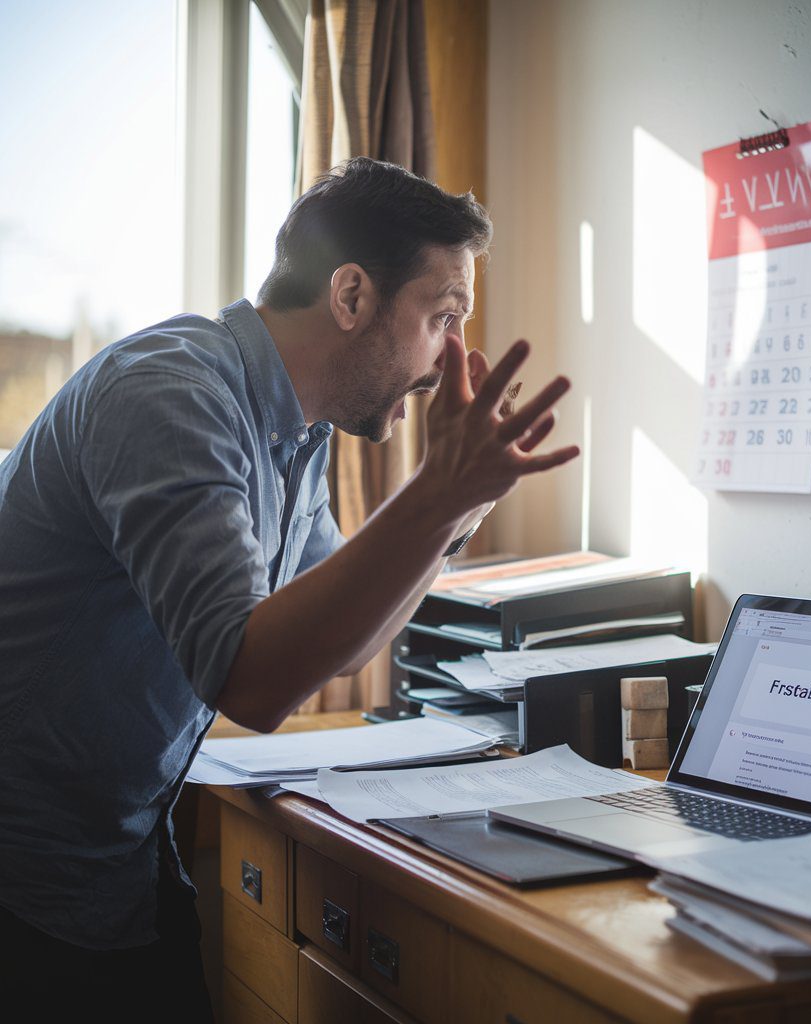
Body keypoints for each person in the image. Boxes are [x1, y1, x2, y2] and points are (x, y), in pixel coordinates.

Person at [0, 157, 579, 1020]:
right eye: (442, 316)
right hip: (26, 873)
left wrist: (456, 513)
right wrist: (436, 493)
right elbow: (256, 678)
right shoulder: (171, 396)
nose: (448, 358)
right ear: (351, 296)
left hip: (115, 859)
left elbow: (344, 632)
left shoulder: (294, 436)